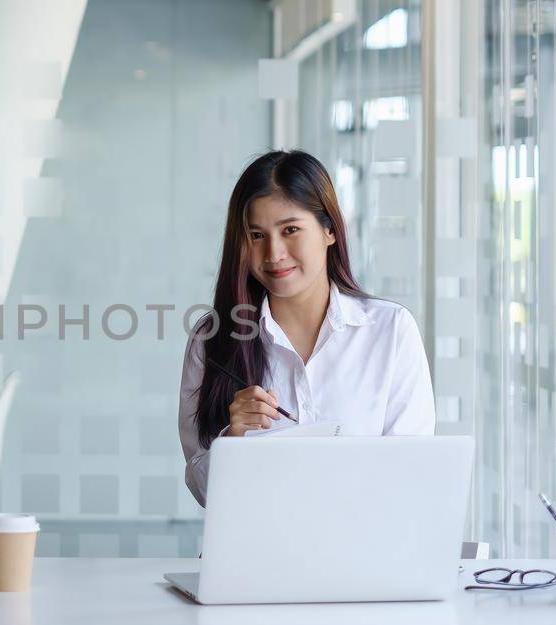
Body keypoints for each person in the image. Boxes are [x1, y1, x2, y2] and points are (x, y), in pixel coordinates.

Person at [178, 150, 435, 507]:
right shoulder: (214, 340)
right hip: (255, 556)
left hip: (363, 554)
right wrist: (233, 440)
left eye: (290, 230)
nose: (274, 252)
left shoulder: (390, 332)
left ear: (329, 229)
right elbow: (204, 491)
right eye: (256, 235)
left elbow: (412, 472)